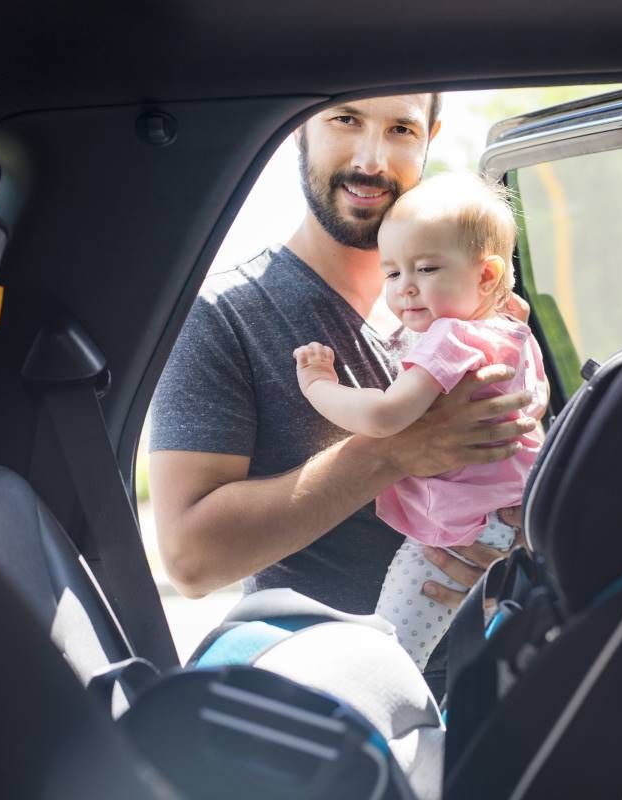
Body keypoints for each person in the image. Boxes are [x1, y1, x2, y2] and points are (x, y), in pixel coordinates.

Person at [149, 94, 538, 692]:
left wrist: (514, 544)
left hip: (492, 677)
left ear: (429, 136)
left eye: (401, 129)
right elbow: (190, 559)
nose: (372, 159)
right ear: (298, 129)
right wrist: (392, 451)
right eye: (345, 119)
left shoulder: (479, 311)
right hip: (330, 700)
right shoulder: (224, 316)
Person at [293, 173, 546, 667]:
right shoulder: (511, 326)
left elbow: (386, 416)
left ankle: (391, 720)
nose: (405, 290)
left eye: (426, 269)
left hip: (459, 530)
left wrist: (319, 384)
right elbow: (535, 401)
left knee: (393, 653)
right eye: (392, 274)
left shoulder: (452, 337)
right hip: (511, 520)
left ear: (488, 276)